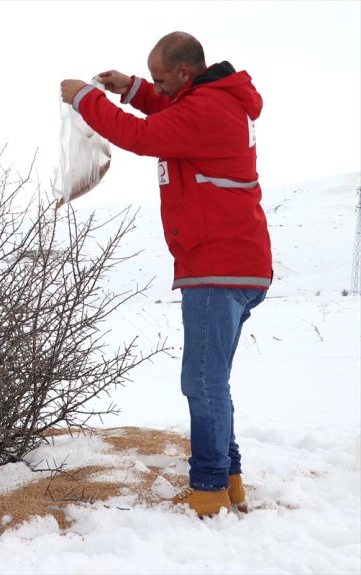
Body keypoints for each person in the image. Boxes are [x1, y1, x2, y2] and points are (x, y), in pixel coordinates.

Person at [60, 31, 272, 517]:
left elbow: (142, 135)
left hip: (216, 266)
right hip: (237, 263)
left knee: (201, 381)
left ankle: (209, 491)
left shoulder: (206, 110)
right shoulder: (214, 100)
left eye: (159, 77)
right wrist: (132, 88)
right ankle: (229, 480)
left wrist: (87, 98)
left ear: (184, 74)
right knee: (213, 380)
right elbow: (165, 109)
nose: (156, 85)